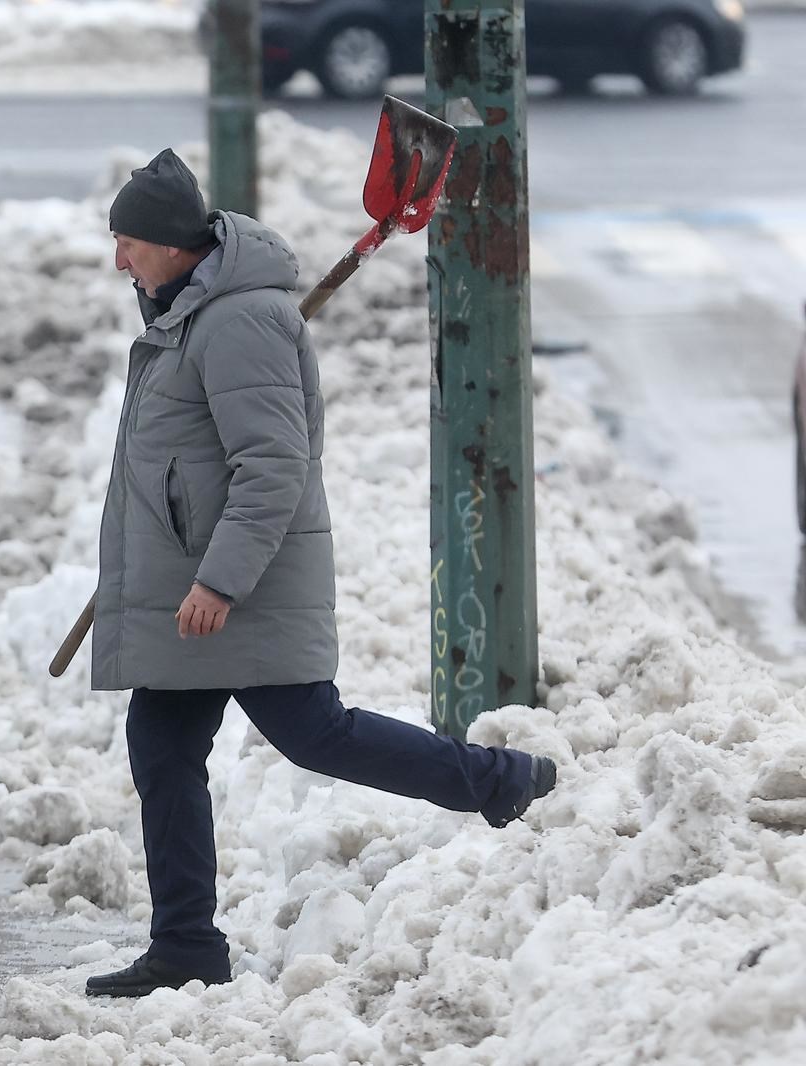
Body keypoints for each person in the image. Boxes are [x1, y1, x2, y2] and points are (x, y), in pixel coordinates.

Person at [83, 149, 557, 999]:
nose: (120, 259)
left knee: (315, 733)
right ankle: (185, 943)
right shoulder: (190, 310)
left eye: (128, 243)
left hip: (238, 592)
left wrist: (220, 582)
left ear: (170, 244)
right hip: (201, 587)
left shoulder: (237, 323)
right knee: (164, 744)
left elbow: (273, 467)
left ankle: (503, 782)